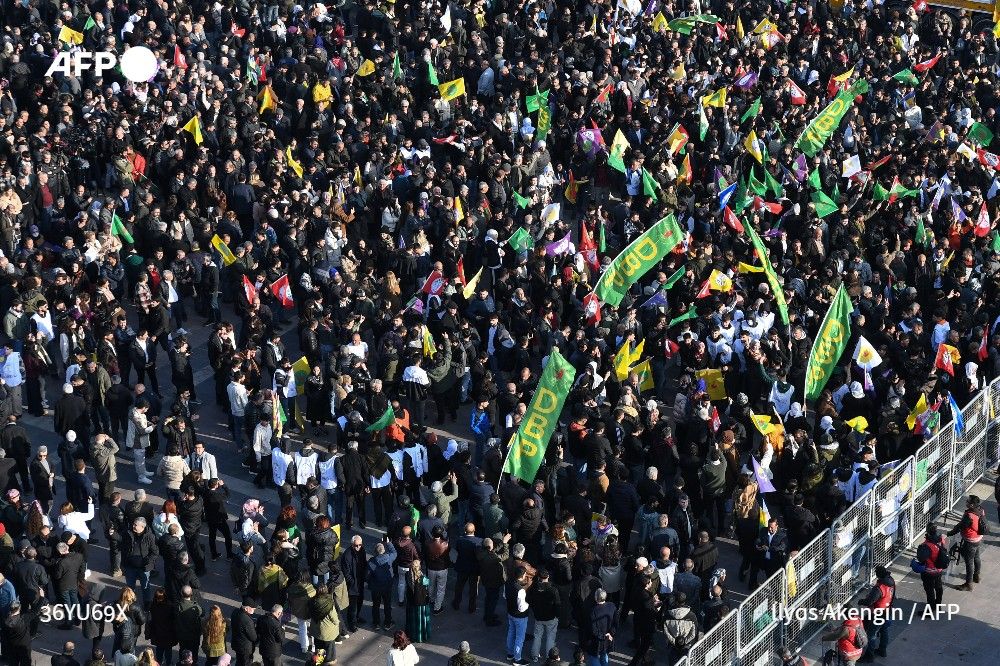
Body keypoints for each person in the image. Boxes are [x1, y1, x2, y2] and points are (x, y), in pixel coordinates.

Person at [947, 495, 987, 591]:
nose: (966, 502)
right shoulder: (981, 509)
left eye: (967, 501)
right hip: (978, 538)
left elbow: (960, 526)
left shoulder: (969, 516)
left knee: (969, 562)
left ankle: (968, 584)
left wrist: (949, 533)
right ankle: (976, 576)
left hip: (970, 541)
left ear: (972, 504)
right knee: (976, 557)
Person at [915, 523, 948, 609]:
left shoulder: (926, 546)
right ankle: (938, 604)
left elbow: (921, 559)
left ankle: (931, 608)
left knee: (929, 591)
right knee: (938, 587)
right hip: (939, 570)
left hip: (929, 572)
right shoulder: (941, 539)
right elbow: (944, 550)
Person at [404, 559, 432, 643]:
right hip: (422, 603)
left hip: (411, 602)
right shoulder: (423, 579)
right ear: (419, 567)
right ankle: (421, 636)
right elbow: (427, 587)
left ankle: (411, 635)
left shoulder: (407, 576)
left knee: (412, 620)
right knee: (421, 620)